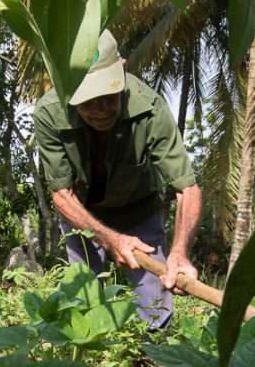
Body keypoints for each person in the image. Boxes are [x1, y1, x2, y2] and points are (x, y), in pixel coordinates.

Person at [33, 30, 202, 329]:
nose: (100, 111)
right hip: (81, 213)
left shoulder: (149, 108)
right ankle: (88, 362)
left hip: (137, 210)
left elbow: (187, 188)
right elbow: (61, 194)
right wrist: (110, 239)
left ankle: (157, 362)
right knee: (83, 296)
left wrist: (179, 253)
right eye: (87, 102)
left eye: (108, 97)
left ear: (123, 69)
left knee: (155, 301)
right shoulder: (49, 113)